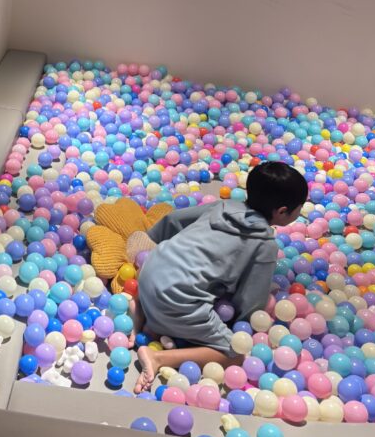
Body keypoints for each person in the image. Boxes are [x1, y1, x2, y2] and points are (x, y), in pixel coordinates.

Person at [132, 161, 308, 393]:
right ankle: (158, 358)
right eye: (298, 209)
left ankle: (140, 310)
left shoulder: (223, 206)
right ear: (282, 211)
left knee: (171, 290)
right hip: (173, 300)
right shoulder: (264, 245)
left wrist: (153, 236)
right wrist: (237, 322)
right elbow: (250, 303)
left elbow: (173, 220)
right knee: (236, 352)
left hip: (149, 272)